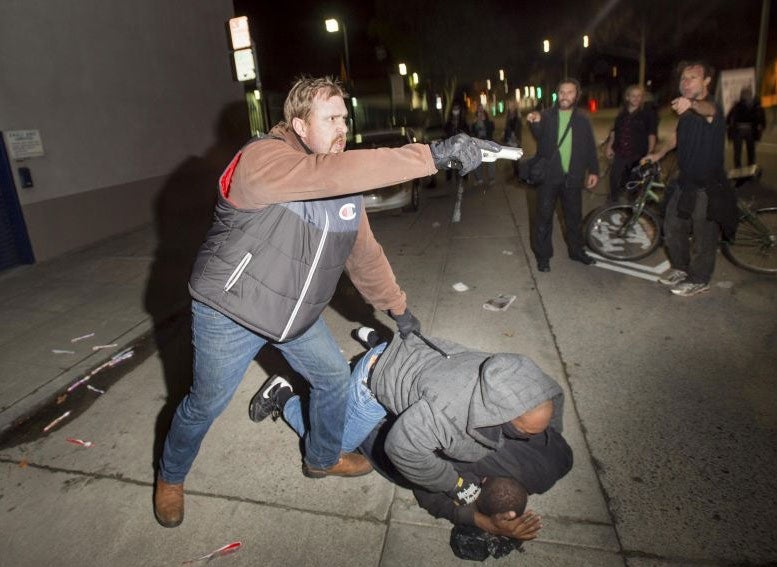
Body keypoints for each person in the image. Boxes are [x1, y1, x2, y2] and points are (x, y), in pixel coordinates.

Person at [153, 75, 500, 528]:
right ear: (298, 125)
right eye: (330, 118)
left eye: (344, 117)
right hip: (231, 311)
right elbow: (326, 173)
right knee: (205, 404)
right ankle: (170, 476)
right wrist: (429, 155)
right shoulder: (262, 159)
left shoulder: (342, 190)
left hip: (293, 313)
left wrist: (400, 310)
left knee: (334, 380)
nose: (343, 127)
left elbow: (366, 257)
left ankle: (322, 457)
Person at [250, 328, 572, 545]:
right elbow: (408, 462)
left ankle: (380, 342)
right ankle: (285, 395)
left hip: (425, 354)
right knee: (328, 455)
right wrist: (467, 501)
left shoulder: (552, 462)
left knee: (404, 396)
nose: (536, 433)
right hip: (375, 384)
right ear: (481, 485)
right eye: (531, 429)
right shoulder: (452, 428)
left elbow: (550, 395)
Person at [644, 61, 737, 297]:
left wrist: (692, 103)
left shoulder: (712, 107)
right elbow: (676, 137)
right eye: (683, 78)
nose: (685, 83)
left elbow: (709, 111)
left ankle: (700, 278)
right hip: (684, 181)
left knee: (704, 235)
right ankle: (681, 268)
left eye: (692, 78)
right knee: (672, 227)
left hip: (707, 184)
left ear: (706, 81)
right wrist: (658, 154)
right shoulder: (686, 113)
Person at [526, 79, 600, 272]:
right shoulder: (546, 116)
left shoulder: (582, 119)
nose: (565, 96)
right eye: (561, 92)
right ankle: (543, 257)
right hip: (549, 178)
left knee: (574, 218)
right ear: (556, 94)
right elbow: (538, 133)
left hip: (573, 177)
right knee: (543, 219)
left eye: (569, 92)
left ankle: (576, 251)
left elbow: (590, 147)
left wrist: (594, 170)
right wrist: (534, 120)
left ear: (576, 95)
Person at [604, 85, 658, 201]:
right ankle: (613, 203)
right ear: (627, 97)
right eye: (633, 96)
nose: (636, 99)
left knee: (634, 183)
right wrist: (609, 147)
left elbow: (652, 134)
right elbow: (614, 131)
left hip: (637, 155)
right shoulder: (621, 114)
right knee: (614, 178)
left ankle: (631, 209)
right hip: (620, 152)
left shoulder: (648, 114)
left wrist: (651, 153)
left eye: (639, 96)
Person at [428, 101, 471, 189]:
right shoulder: (449, 122)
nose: (456, 111)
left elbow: (467, 132)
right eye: (454, 109)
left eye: (457, 109)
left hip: (460, 146)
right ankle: (450, 179)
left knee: (461, 162)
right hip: (450, 145)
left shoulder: (463, 122)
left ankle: (462, 178)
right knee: (451, 163)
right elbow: (445, 133)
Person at [726, 87, 766, 168]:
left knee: (738, 152)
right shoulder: (756, 105)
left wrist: (728, 127)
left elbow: (729, 118)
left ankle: (739, 168)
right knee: (750, 151)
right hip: (750, 130)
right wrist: (762, 126)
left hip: (739, 130)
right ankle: (749, 168)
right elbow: (761, 117)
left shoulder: (738, 105)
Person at [471, 104, 496, 186]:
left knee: (490, 161)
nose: (480, 113)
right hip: (478, 144)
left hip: (487, 143)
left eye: (481, 110)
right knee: (478, 161)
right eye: (479, 111)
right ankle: (479, 179)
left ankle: (491, 178)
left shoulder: (488, 120)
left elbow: (492, 129)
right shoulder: (475, 122)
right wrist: (473, 124)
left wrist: (486, 121)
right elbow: (471, 133)